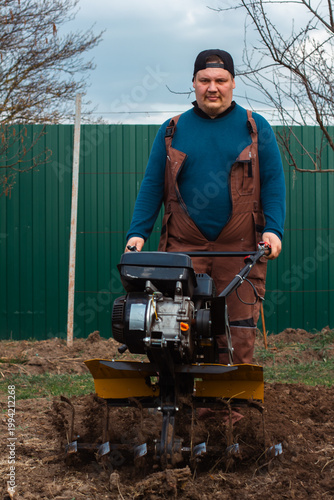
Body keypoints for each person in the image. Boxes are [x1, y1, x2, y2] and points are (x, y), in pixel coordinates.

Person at [124, 49, 286, 365]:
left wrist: (273, 230)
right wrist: (137, 234)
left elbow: (274, 184)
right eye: (205, 80)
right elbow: (152, 187)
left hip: (240, 250)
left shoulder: (256, 128)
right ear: (194, 83)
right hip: (184, 248)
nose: (213, 87)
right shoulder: (172, 130)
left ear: (233, 83)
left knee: (237, 333)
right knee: (175, 328)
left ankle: (231, 410)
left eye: (220, 80)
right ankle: (179, 404)